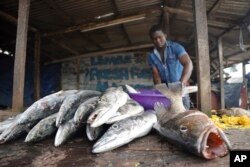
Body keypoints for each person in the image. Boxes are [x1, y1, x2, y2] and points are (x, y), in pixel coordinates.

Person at [147, 24, 193, 109]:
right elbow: (156, 75)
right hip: (166, 88)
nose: (158, 40)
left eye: (160, 37)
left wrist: (181, 84)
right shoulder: (151, 56)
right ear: (152, 40)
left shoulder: (176, 47)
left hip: (181, 85)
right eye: (154, 39)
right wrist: (159, 90)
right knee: (169, 110)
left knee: (184, 110)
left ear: (165, 35)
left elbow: (188, 64)